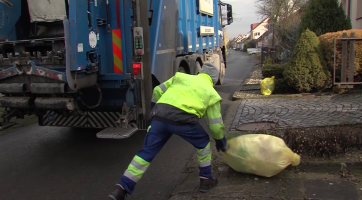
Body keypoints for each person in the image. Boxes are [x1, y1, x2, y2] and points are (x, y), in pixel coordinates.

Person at [108, 63, 228, 200]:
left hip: (160, 115)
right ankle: (206, 179)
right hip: (184, 119)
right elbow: (215, 125)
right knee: (203, 142)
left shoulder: (180, 77)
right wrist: (220, 141)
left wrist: (155, 110)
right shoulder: (211, 92)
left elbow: (157, 90)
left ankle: (121, 189)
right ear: (213, 79)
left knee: (146, 152)